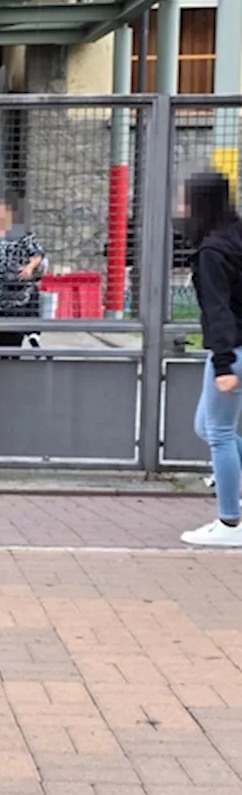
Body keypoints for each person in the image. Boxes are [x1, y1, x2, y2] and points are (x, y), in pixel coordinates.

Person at [180, 173, 242, 546]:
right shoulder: (235, 236)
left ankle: (230, 523)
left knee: (218, 433)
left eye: (186, 203)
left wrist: (221, 364)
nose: (182, 210)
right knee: (207, 426)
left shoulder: (212, 252)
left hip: (231, 351)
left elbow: (217, 311)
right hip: (235, 347)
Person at [0, 194, 45, 351]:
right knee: (2, 331)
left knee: (13, 328)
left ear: (9, 213)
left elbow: (38, 255)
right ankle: (11, 350)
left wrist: (29, 267)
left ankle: (25, 341)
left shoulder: (21, 234)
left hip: (14, 292)